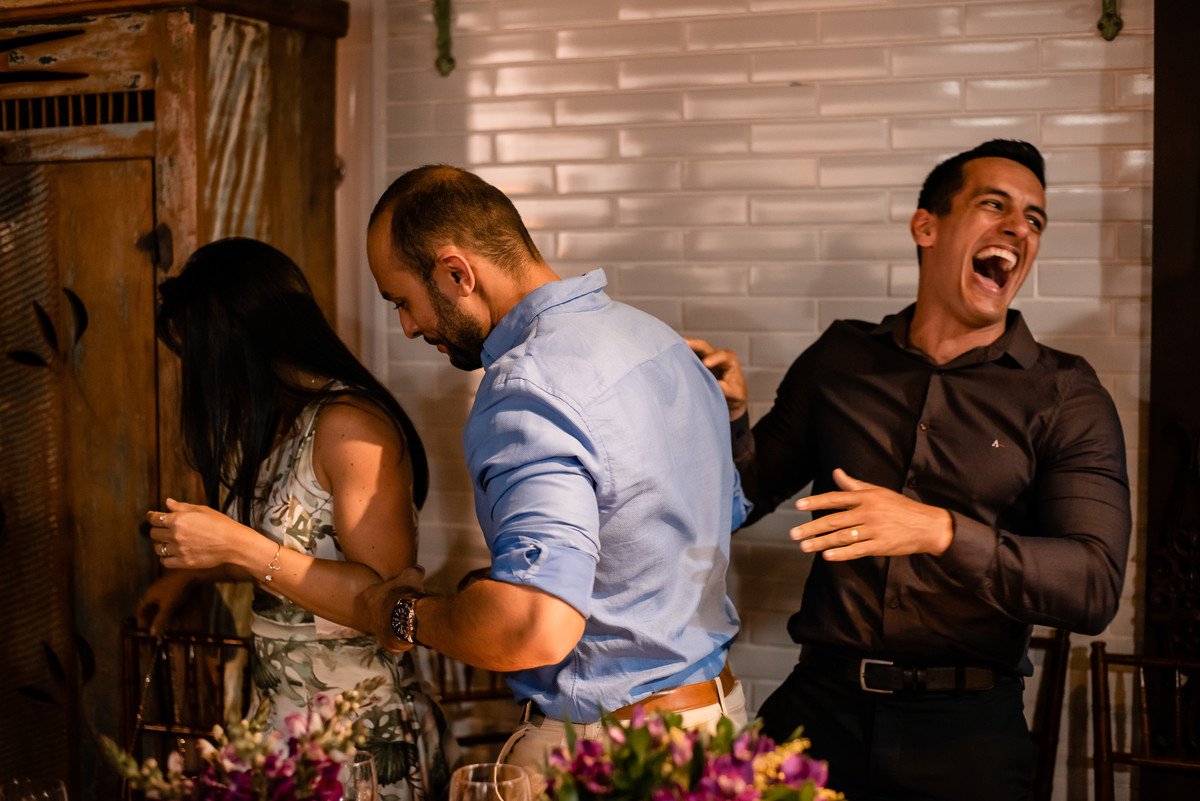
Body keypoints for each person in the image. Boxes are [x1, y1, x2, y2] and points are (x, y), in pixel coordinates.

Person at [689, 140, 1131, 801]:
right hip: (820, 710)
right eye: (994, 205)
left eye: (1034, 219)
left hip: (967, 736)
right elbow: (738, 501)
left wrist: (940, 531)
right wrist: (730, 418)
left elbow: (1093, 586)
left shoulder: (1066, 393)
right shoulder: (841, 358)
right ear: (927, 226)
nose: (1018, 228)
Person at [355, 165, 751, 775]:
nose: (408, 327)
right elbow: (718, 517)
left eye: (402, 301)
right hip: (716, 720)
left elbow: (533, 627)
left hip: (616, 756)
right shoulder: (661, 341)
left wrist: (406, 613)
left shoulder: (527, 384)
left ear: (456, 273)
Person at [136, 238, 457, 801]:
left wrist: (236, 545)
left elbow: (381, 599)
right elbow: (300, 554)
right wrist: (193, 571)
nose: (196, 376)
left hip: (360, 742)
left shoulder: (350, 427)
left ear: (240, 342)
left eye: (199, 355)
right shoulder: (275, 423)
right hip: (282, 728)